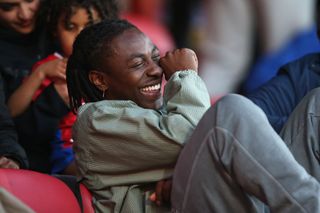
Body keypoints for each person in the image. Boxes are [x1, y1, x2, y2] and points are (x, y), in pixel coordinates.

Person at [66, 19, 320, 212]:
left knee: (315, 102)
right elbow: (194, 133)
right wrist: (185, 75)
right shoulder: (95, 121)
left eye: (155, 58)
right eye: (137, 64)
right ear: (100, 80)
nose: (155, 70)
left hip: (239, 201)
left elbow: (196, 141)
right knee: (230, 110)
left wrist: (179, 170)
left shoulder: (163, 107)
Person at [7, 0, 118, 175]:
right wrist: (40, 74)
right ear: (54, 31)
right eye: (70, 27)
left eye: (89, 25)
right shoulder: (53, 66)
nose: (81, 35)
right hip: (69, 150)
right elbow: (12, 110)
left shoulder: (113, 62)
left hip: (110, 140)